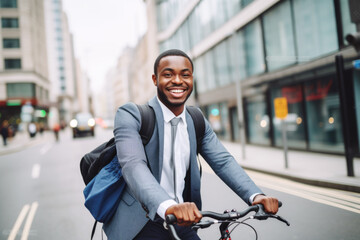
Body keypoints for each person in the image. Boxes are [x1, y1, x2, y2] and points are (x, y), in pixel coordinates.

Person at [103, 49, 279, 240]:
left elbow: (223, 161)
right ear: (155, 79)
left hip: (183, 221)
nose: (178, 81)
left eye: (185, 75)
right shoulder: (131, 115)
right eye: (168, 74)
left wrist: (256, 196)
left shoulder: (196, 120)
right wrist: (168, 206)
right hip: (141, 222)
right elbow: (133, 165)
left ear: (192, 79)